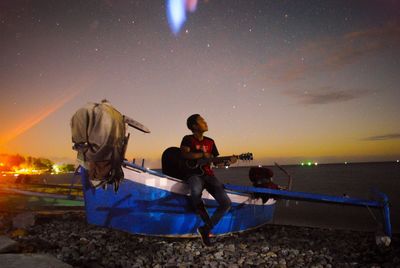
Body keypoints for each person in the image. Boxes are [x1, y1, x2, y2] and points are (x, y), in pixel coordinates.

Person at [180, 114, 237, 246]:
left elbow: (217, 163)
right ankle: (199, 211)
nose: (206, 122)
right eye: (202, 121)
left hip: (208, 175)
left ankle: (205, 229)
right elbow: (184, 154)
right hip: (193, 174)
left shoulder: (210, 141)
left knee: (226, 203)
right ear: (194, 126)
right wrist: (202, 154)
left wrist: (229, 162)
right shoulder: (188, 139)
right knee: (195, 191)